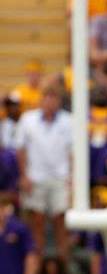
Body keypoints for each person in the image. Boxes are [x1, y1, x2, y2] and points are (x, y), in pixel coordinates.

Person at [13, 87, 72, 259]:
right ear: (42, 99)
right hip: (35, 178)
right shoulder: (28, 120)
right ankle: (38, 270)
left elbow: (73, 152)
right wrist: (24, 175)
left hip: (61, 179)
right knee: (36, 225)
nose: (50, 102)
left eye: (54, 97)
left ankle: (64, 269)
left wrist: (72, 178)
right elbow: (20, 149)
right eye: (47, 97)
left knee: (62, 223)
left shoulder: (68, 121)